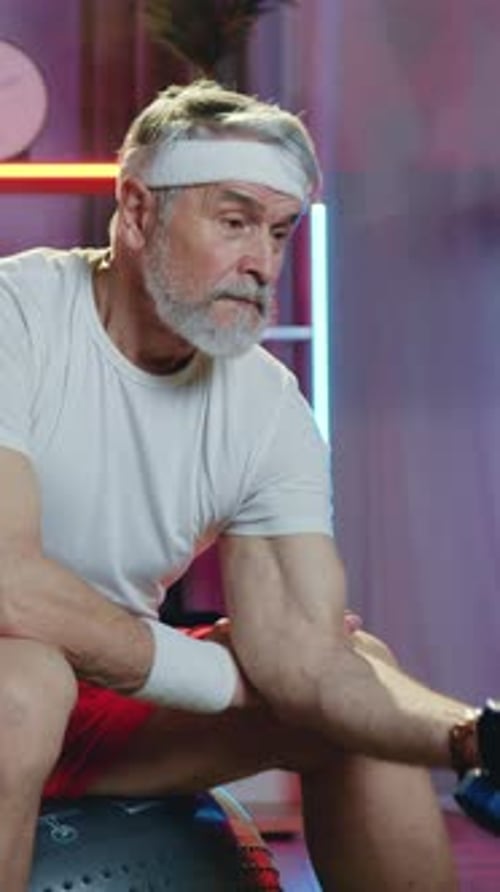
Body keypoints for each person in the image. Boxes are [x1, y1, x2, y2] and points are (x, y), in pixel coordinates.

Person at [0, 79, 493, 892]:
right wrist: (215, 675)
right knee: (23, 684)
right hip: (18, 688)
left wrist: (474, 740)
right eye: (234, 222)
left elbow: (309, 658)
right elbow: (12, 587)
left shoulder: (264, 403)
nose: (261, 261)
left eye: (279, 231)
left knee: (357, 676)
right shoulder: (17, 317)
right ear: (138, 211)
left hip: (91, 704)